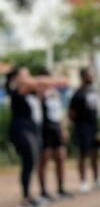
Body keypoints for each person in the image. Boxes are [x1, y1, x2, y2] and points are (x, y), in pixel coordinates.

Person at [5, 67, 68, 207]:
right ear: (17, 78)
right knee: (28, 162)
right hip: (22, 130)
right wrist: (56, 80)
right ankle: (25, 199)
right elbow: (38, 83)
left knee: (32, 162)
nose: (29, 77)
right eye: (25, 74)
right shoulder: (19, 89)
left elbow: (42, 87)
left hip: (33, 130)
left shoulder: (31, 93)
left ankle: (30, 196)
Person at [68, 67, 100, 192]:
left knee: (95, 153)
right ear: (83, 77)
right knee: (82, 154)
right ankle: (83, 181)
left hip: (93, 126)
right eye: (89, 75)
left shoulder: (93, 92)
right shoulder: (78, 94)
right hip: (82, 127)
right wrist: (80, 123)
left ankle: (97, 179)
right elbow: (71, 113)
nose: (91, 77)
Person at [38, 70, 74, 200]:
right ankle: (43, 191)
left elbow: (59, 111)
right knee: (44, 159)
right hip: (44, 129)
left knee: (60, 157)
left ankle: (61, 188)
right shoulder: (39, 93)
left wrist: (63, 128)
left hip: (56, 127)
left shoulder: (55, 93)